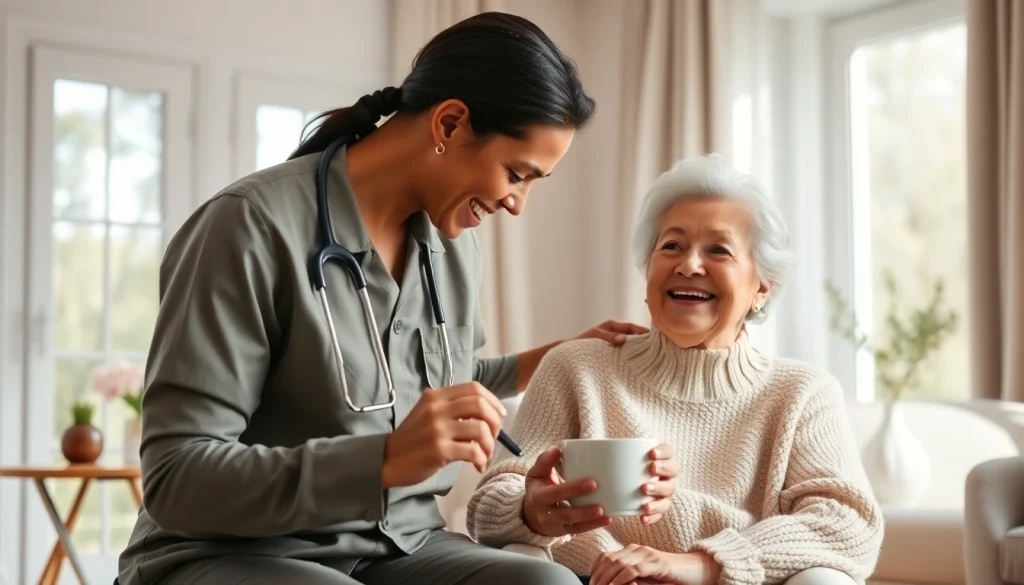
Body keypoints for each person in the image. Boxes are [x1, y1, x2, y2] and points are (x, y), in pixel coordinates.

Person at [115, 12, 650, 585]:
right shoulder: (249, 227)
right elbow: (176, 476)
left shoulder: (453, 248)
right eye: (516, 174)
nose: (517, 204)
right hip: (237, 549)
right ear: (450, 123)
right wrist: (385, 460)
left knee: (546, 582)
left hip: (400, 545)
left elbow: (435, 379)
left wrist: (556, 355)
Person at [467, 154, 885, 585]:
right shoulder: (576, 368)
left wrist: (703, 564)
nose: (688, 265)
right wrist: (532, 511)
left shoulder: (802, 392)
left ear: (761, 288)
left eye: (718, 250)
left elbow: (847, 524)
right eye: (671, 246)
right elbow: (489, 505)